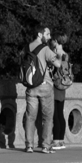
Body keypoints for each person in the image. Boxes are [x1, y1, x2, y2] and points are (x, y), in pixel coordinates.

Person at [23, 26, 63, 154]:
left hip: (30, 86)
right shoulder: (45, 49)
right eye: (47, 34)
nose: (50, 37)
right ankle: (45, 146)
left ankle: (29, 145)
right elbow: (58, 64)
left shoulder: (27, 47)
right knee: (47, 117)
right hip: (45, 86)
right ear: (40, 35)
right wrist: (59, 53)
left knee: (30, 117)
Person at [50, 35, 72, 149]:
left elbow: (53, 70)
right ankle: (61, 140)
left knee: (55, 115)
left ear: (56, 41)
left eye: (52, 40)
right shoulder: (66, 54)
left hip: (55, 86)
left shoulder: (56, 54)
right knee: (60, 113)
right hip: (62, 86)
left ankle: (56, 140)